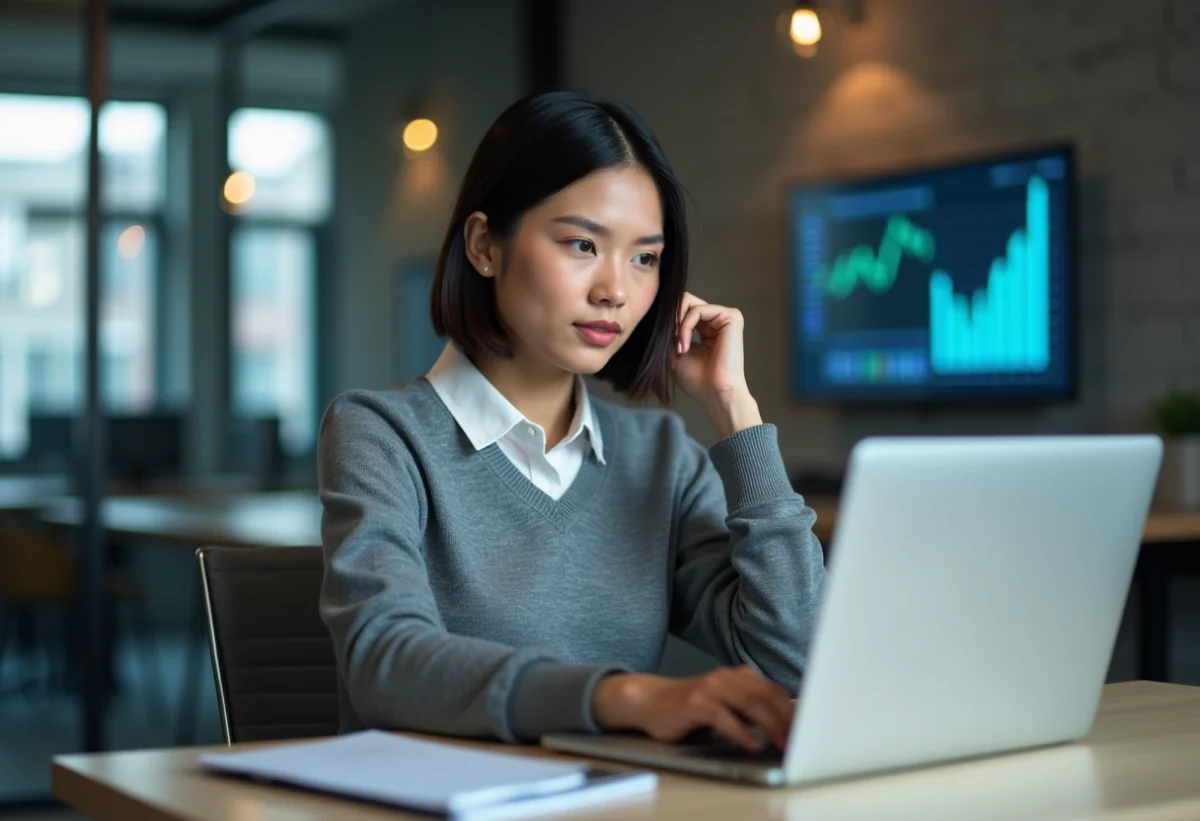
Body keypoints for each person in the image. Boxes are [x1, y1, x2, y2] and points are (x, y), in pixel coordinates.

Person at [318, 90, 826, 754]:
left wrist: (736, 409)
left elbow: (797, 655)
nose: (616, 289)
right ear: (483, 246)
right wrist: (624, 696)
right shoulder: (380, 433)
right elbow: (383, 661)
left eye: (645, 257)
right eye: (583, 243)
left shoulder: (660, 456)